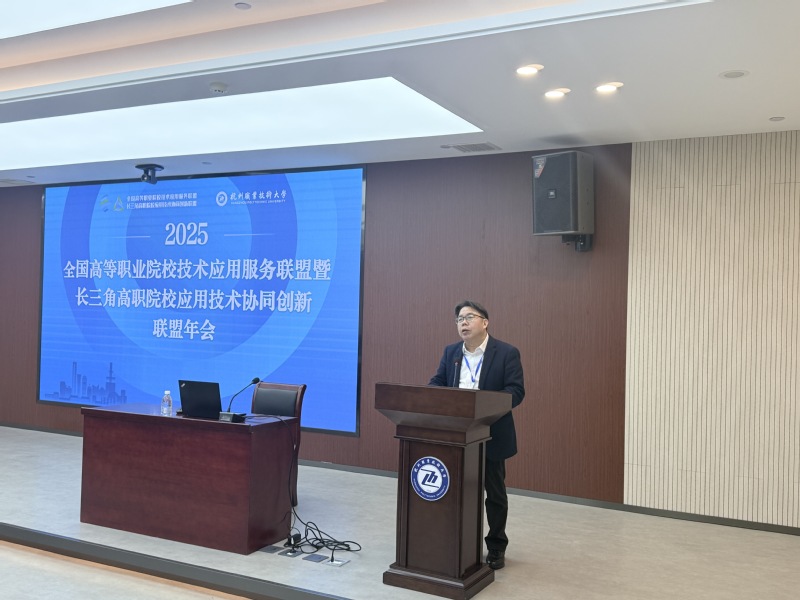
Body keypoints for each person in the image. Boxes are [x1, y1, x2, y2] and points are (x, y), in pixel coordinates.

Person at [429, 300, 525, 570]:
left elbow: (516, 391)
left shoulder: (506, 353)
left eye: (469, 317)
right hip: (457, 435)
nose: (463, 323)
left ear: (485, 322)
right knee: (454, 491)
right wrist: (430, 395)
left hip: (491, 433)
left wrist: (485, 407)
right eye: (459, 319)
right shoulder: (451, 352)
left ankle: (496, 546)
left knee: (494, 495)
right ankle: (456, 542)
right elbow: (438, 381)